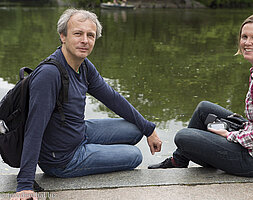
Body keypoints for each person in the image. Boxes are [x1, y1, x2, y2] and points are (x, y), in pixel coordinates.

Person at [11, 8, 162, 200]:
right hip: (62, 158)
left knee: (136, 129)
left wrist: (149, 129)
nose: (85, 40)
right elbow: (34, 128)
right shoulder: (50, 74)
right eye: (78, 33)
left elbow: (113, 99)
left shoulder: (83, 65)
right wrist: (24, 184)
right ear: (63, 36)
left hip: (78, 132)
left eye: (90, 35)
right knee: (135, 155)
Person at [148, 14, 253, 178]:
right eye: (244, 36)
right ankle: (178, 161)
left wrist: (230, 135)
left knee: (183, 137)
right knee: (204, 109)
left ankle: (181, 157)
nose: (247, 43)